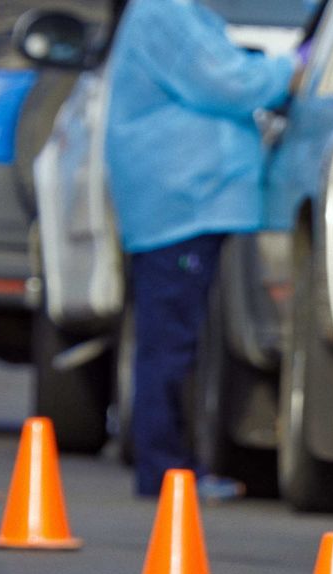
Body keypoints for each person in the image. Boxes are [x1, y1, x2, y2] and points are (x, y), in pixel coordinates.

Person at [106, 0, 297, 497]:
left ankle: (173, 467)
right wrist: (288, 72)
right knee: (170, 346)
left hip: (189, 204)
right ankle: (166, 472)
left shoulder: (179, 12)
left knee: (176, 344)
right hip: (182, 205)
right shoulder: (163, 13)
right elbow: (224, 81)